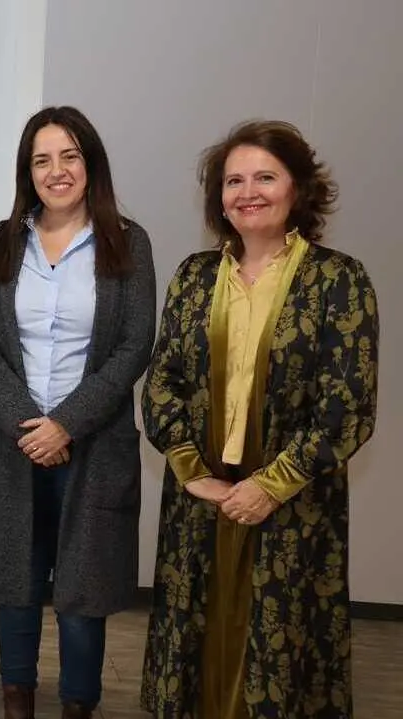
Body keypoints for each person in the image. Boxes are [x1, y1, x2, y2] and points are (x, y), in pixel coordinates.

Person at [140, 120, 378, 719]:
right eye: (233, 180)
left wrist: (268, 486)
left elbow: (348, 405)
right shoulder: (195, 277)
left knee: (279, 652)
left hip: (293, 503)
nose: (248, 191)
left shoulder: (338, 280)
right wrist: (194, 474)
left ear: (298, 187)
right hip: (202, 497)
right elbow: (163, 380)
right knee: (194, 639)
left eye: (265, 177)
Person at [0, 106, 156, 719]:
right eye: (42, 159)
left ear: (90, 162)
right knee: (15, 579)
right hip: (11, 441)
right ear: (28, 172)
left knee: (82, 588)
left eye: (69, 155)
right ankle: (16, 696)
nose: (57, 170)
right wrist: (29, 425)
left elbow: (134, 344)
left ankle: (79, 704)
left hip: (92, 444)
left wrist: (66, 423)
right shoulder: (0, 242)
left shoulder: (128, 241)